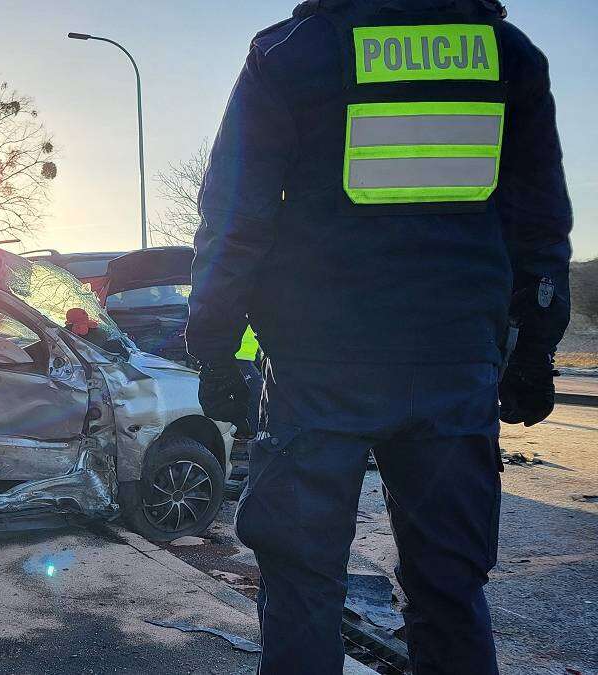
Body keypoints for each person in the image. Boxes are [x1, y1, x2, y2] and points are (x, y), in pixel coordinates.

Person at [185, 1, 572, 673]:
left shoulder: (291, 53)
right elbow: (539, 221)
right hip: (454, 360)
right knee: (450, 589)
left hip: (319, 363)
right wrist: (535, 345)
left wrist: (215, 345)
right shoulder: (508, 57)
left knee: (304, 585)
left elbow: (234, 216)